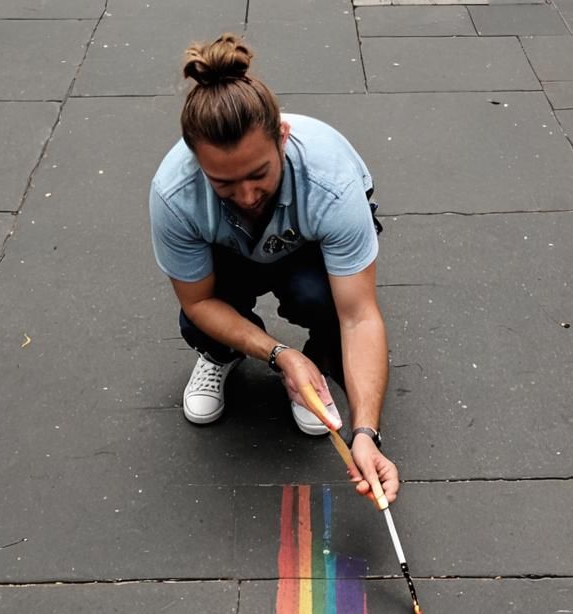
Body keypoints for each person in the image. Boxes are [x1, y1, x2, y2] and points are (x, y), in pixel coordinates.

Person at [149, 33, 400, 504]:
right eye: (224, 182)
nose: (246, 196)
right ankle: (224, 355)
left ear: (282, 137)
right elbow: (198, 300)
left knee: (322, 298)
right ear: (196, 161)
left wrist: (366, 433)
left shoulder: (332, 183)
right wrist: (279, 354)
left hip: (303, 243)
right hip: (228, 249)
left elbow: (359, 316)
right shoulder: (174, 194)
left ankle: (318, 366)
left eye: (259, 173)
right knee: (201, 321)